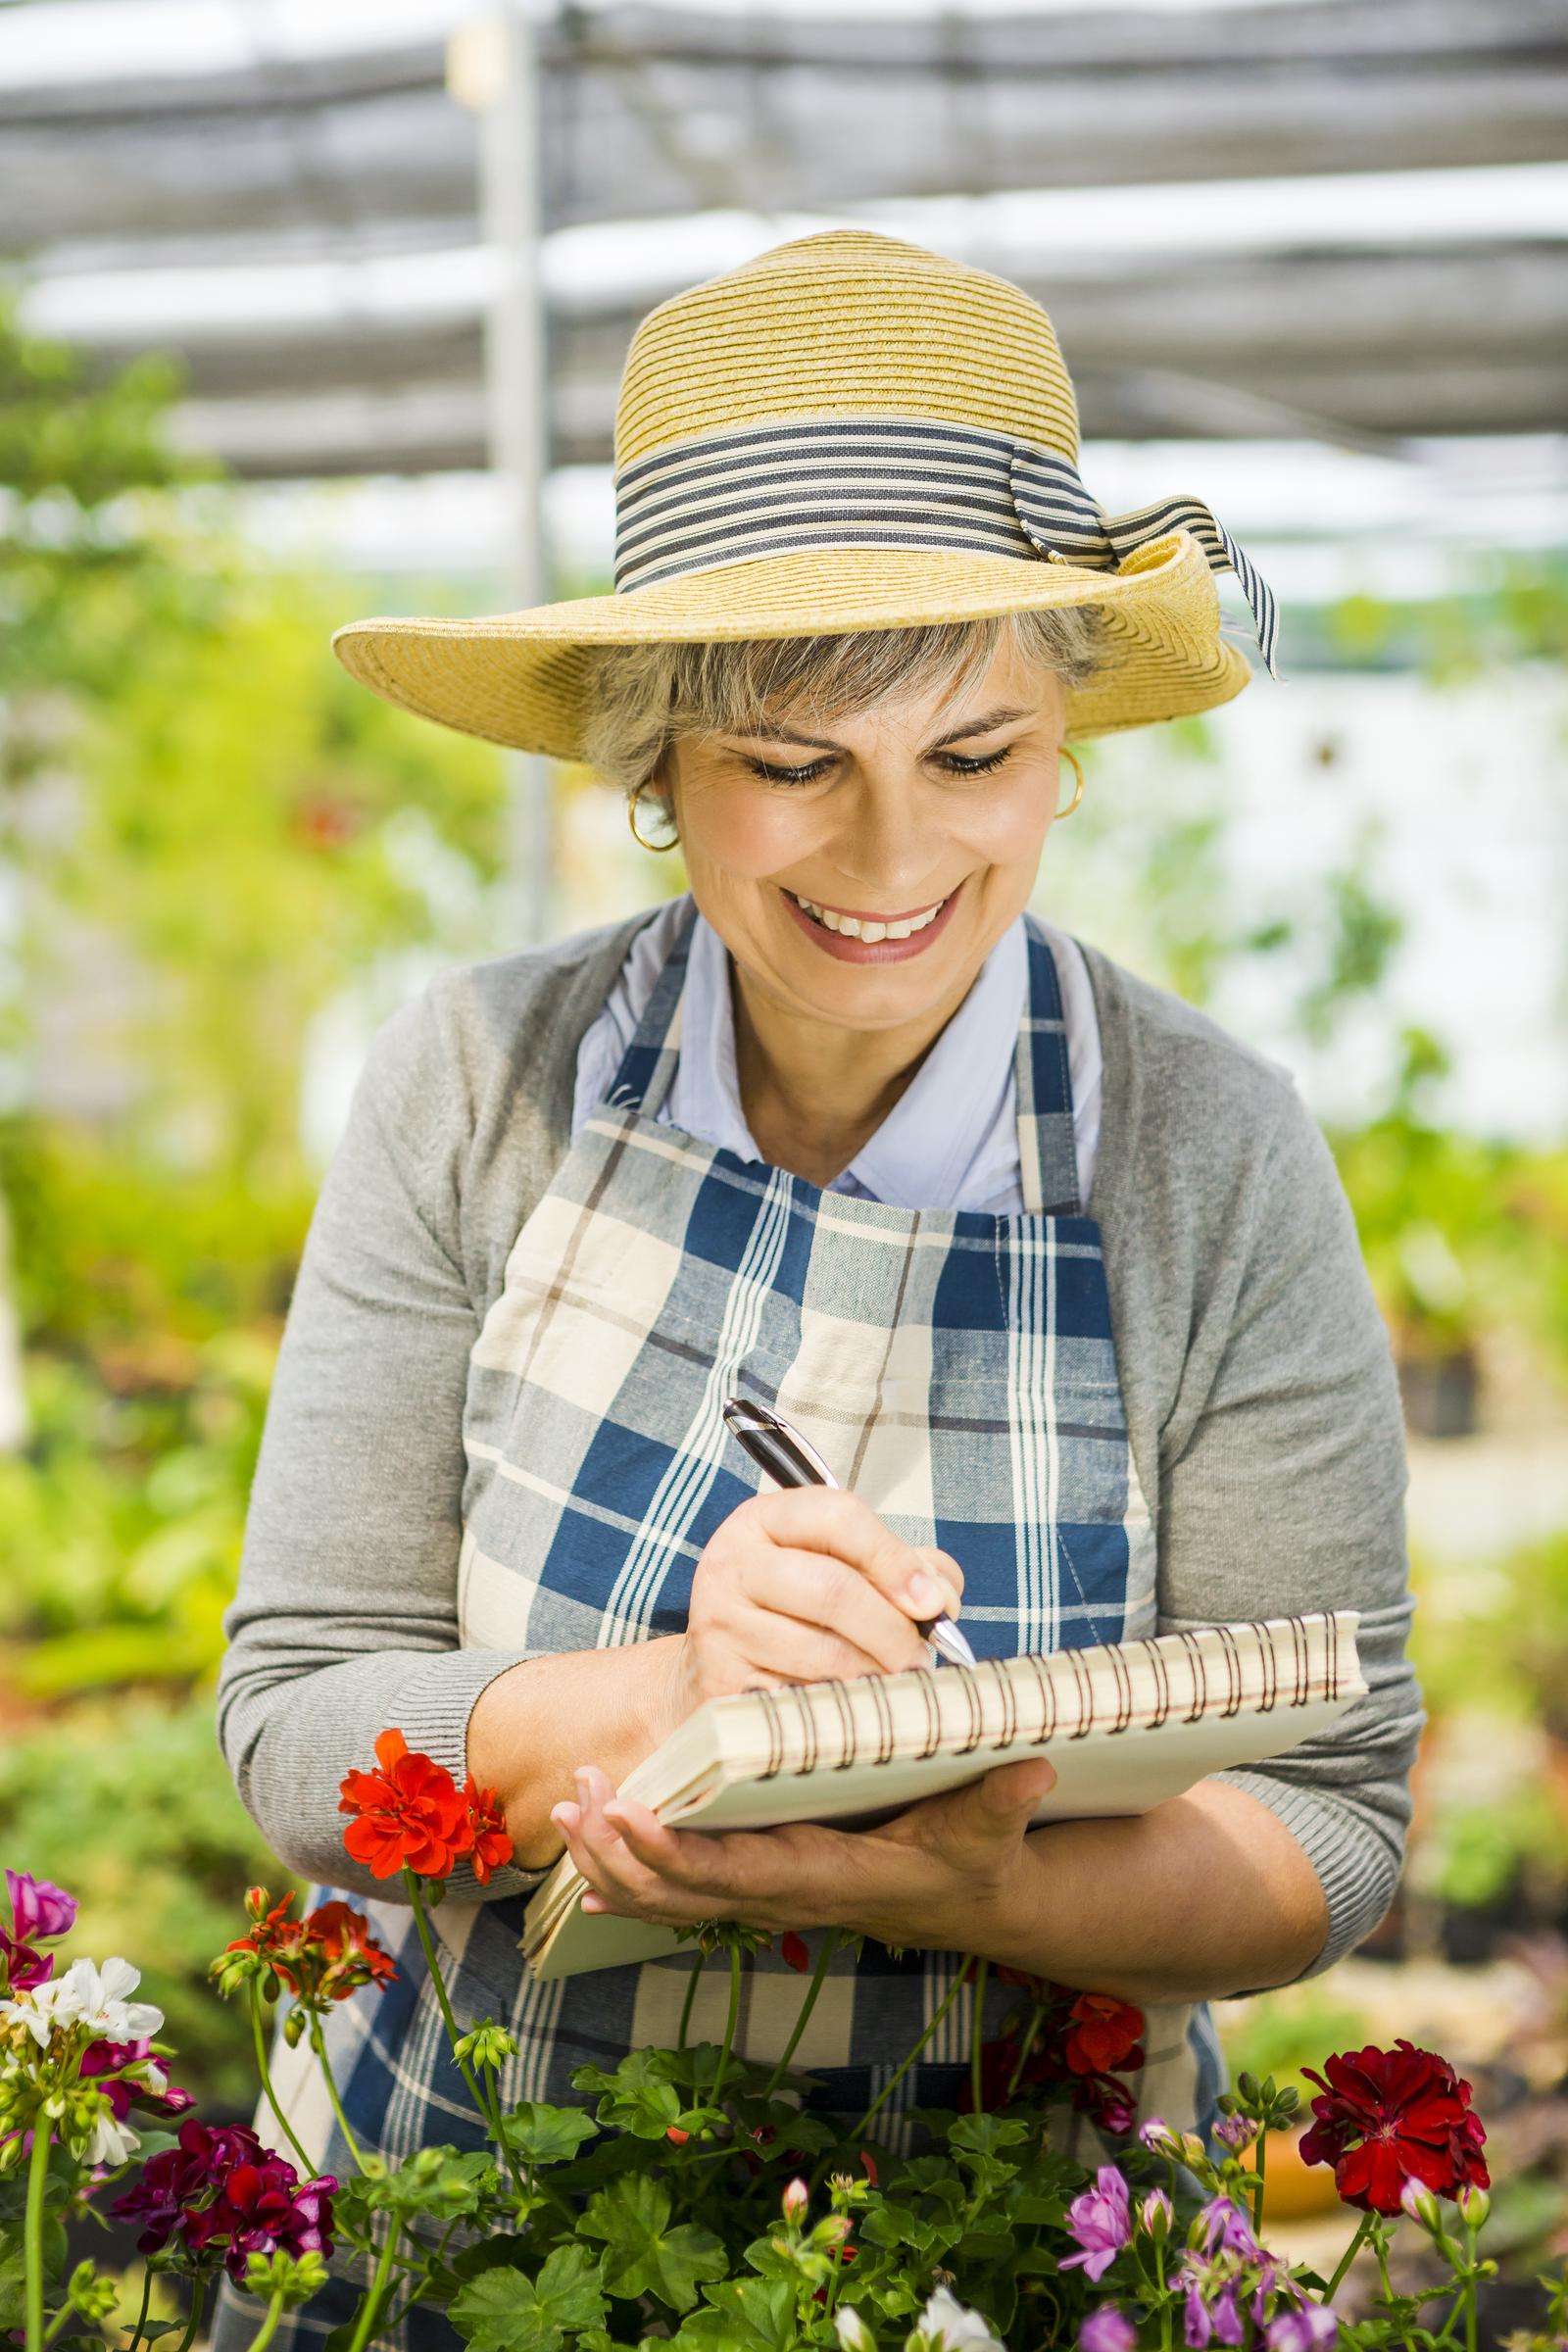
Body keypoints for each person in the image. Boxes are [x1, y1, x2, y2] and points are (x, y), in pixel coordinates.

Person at [208, 230, 1420, 2352]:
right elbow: (302, 1711)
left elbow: (1327, 1829)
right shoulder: (481, 1088)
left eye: (972, 756)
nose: (886, 862)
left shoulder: (1204, 1154)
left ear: (1064, 747)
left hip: (1012, 2249)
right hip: (485, 2236)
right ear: (652, 774)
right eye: (789, 762)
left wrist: (986, 1888)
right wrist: (665, 1701)